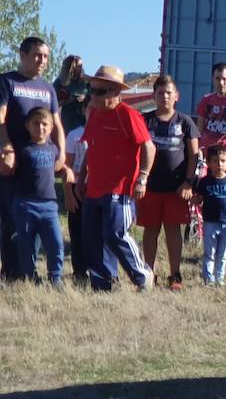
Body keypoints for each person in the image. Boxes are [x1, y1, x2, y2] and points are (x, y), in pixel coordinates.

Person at [77, 65, 153, 292]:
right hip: (95, 187)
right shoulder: (95, 115)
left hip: (120, 188)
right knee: (93, 238)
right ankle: (104, 284)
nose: (94, 96)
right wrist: (82, 177)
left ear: (114, 92)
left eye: (100, 91)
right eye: (92, 90)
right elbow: (91, 149)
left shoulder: (128, 115)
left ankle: (142, 275)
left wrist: (143, 178)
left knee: (114, 233)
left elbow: (148, 147)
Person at [0, 36, 64, 280]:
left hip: (42, 165)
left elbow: (57, 123)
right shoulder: (7, 82)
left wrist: (61, 155)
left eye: (46, 56)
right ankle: (12, 273)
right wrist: (7, 150)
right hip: (14, 164)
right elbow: (1, 118)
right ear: (23, 55)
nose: (42, 60)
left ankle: (30, 272)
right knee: (12, 220)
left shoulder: (48, 89)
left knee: (38, 224)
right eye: (38, 55)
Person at [138, 75, 199, 290]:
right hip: (150, 187)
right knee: (150, 230)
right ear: (153, 96)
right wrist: (139, 180)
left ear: (176, 96)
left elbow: (194, 154)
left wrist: (189, 182)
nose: (164, 96)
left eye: (168, 93)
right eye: (160, 92)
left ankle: (175, 275)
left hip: (177, 189)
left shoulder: (186, 122)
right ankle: (148, 274)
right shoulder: (144, 121)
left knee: (173, 231)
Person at [0, 108, 65, 285]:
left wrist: (67, 170)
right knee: (25, 244)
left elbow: (61, 167)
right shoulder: (21, 148)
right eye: (36, 123)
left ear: (51, 128)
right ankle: (30, 275)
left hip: (49, 205)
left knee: (55, 243)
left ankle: (56, 277)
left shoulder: (54, 149)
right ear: (28, 126)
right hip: (25, 203)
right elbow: (7, 166)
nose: (40, 128)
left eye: (45, 124)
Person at [194, 145, 226, 286]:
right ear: (208, 162)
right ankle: (208, 278)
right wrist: (193, 198)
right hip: (210, 222)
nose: (219, 164)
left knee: (222, 253)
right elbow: (199, 199)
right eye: (215, 161)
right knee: (209, 252)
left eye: (223, 161)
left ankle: (219, 278)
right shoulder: (205, 182)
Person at [63, 100, 91, 284]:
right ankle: (79, 271)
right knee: (77, 230)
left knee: (96, 232)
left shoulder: (107, 133)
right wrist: (69, 194)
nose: (94, 111)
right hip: (77, 188)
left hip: (98, 188)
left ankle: (97, 270)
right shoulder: (75, 135)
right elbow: (68, 167)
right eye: (90, 108)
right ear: (83, 110)